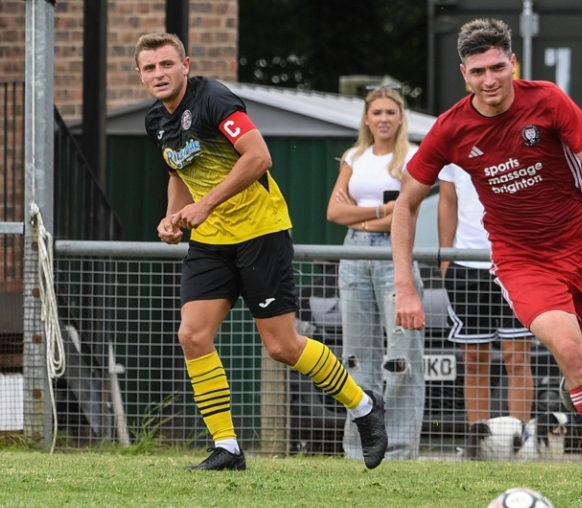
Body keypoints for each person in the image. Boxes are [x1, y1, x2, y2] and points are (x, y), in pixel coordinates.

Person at [391, 18, 582, 508]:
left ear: (513, 63)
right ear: (464, 74)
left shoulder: (548, 100)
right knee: (573, 352)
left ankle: (576, 392)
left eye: (498, 67)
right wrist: (405, 285)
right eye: (478, 71)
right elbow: (406, 204)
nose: (490, 80)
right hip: (522, 261)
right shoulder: (451, 129)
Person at [135, 32, 388, 471]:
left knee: (282, 346)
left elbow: (259, 158)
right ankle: (227, 447)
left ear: (186, 65)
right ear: (140, 75)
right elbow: (177, 170)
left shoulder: (213, 98)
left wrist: (206, 203)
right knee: (192, 335)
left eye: (166, 64)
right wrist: (173, 217)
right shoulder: (156, 121)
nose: (159, 73)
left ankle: (364, 406)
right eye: (150, 67)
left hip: (261, 232)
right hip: (211, 242)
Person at [326, 86, 425, 460]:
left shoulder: (413, 158)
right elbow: (334, 214)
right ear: (367, 118)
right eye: (377, 112)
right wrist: (384, 212)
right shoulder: (354, 156)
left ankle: (399, 449)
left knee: (401, 356)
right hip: (353, 252)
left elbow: (409, 214)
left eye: (390, 112)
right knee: (356, 356)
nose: (384, 118)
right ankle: (359, 446)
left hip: (394, 255)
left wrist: (369, 215)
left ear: (401, 117)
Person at [437, 164, 535, 444]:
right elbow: (448, 200)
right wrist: (446, 256)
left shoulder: (514, 131)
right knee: (474, 360)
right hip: (467, 265)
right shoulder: (454, 133)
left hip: (515, 262)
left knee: (516, 357)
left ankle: (520, 443)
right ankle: (478, 444)